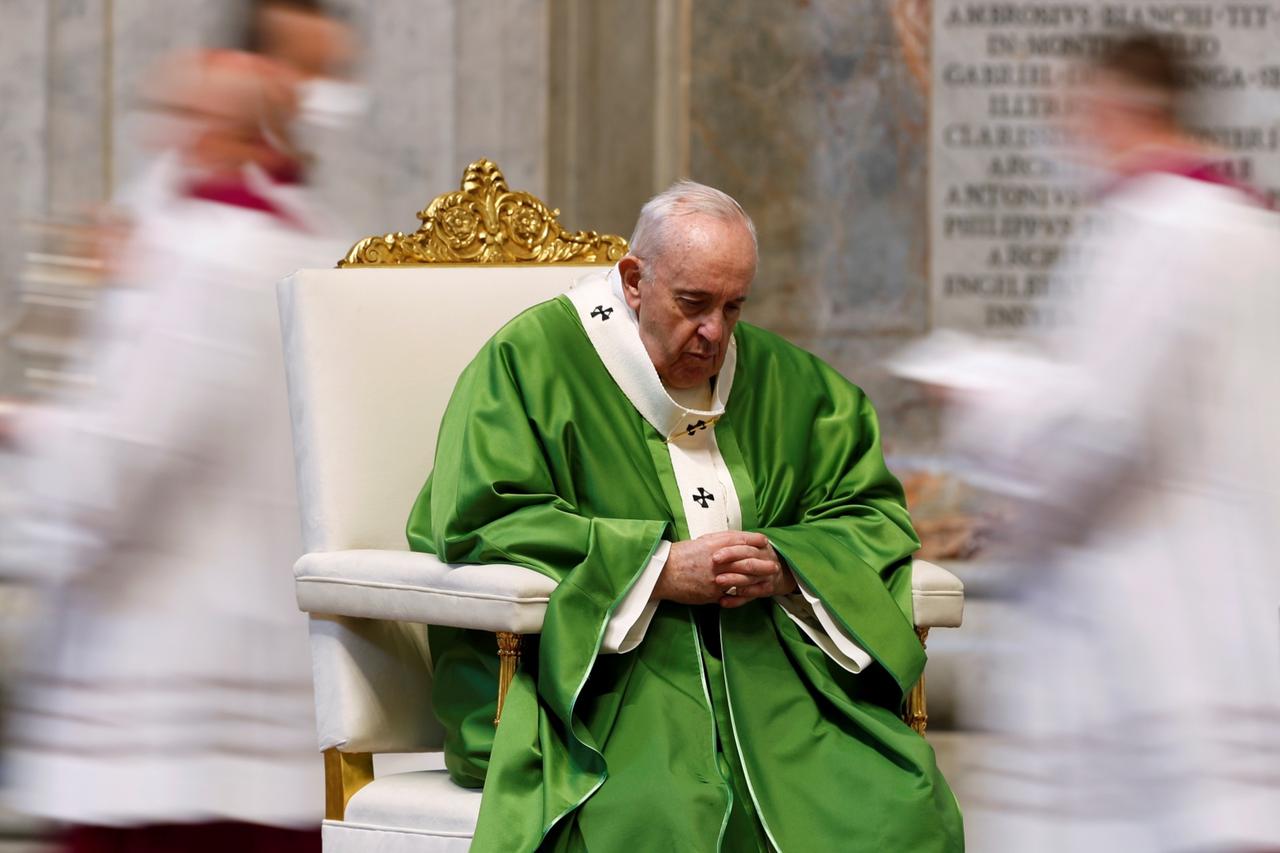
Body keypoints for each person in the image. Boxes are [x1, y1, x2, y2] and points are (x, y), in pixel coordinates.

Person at [407, 182, 963, 851]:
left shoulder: (788, 381)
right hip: (603, 683)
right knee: (660, 812)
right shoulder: (529, 363)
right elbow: (481, 516)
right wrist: (658, 567)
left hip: (769, 669)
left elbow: (869, 510)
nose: (716, 334)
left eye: (734, 307)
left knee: (894, 807)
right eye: (694, 304)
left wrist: (787, 563)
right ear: (636, 280)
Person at [894, 33, 1280, 853]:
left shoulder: (1157, 230)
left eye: (1077, 114)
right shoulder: (1252, 228)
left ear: (1118, 108)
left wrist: (982, 393)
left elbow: (1095, 434)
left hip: (1151, 618)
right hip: (1242, 599)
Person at [0, 5, 351, 851]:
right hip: (272, 698)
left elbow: (116, 462)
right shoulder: (315, 246)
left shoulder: (200, 254)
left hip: (160, 709)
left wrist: (23, 445)